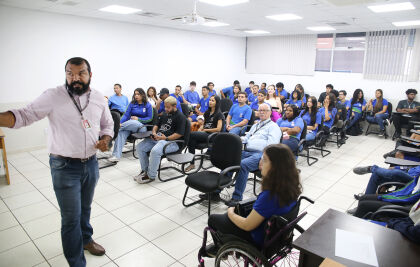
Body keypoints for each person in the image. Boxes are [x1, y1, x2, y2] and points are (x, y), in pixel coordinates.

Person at [0, 57, 114, 267]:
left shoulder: (99, 98)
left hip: (90, 164)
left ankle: (86, 239)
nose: (75, 78)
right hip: (64, 167)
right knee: (71, 218)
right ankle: (76, 263)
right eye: (70, 73)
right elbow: (25, 115)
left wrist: (105, 140)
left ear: (90, 75)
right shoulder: (53, 96)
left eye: (81, 73)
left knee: (85, 208)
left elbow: (108, 124)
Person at [207, 144, 301, 254]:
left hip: (258, 238)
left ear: (276, 167)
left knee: (214, 219)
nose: (260, 163)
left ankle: (222, 251)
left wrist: (230, 213)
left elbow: (247, 225)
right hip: (276, 235)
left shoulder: (269, 195)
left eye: (265, 160)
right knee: (240, 209)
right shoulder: (291, 186)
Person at [223, 104, 281, 206]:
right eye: (260, 110)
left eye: (265, 110)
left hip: (260, 154)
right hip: (247, 151)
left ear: (270, 112)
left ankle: (237, 198)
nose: (262, 112)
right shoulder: (256, 125)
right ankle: (217, 189)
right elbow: (246, 138)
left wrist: (263, 159)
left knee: (243, 165)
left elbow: (272, 146)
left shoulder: (274, 127)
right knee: (229, 159)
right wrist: (235, 140)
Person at [135, 96, 186, 184]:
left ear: (175, 106)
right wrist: (154, 132)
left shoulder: (181, 117)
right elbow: (156, 124)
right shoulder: (165, 114)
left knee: (155, 151)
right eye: (165, 107)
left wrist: (165, 138)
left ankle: (151, 176)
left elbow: (179, 134)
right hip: (159, 138)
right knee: (140, 147)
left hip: (172, 142)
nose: (166, 109)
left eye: (168, 107)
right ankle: (145, 170)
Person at [108, 88, 153, 162]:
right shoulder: (132, 103)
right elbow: (126, 115)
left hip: (141, 127)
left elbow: (150, 118)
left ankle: (113, 130)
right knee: (120, 133)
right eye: (135, 94)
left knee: (133, 121)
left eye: (138, 94)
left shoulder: (147, 105)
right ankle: (116, 156)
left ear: (142, 95)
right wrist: (120, 123)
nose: (136, 96)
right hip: (130, 126)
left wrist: (138, 119)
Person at [185, 95, 224, 172]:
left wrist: (205, 130)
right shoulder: (207, 112)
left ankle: (186, 153)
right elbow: (204, 124)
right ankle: (192, 163)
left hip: (213, 136)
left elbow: (219, 129)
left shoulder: (219, 114)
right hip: (205, 133)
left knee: (191, 135)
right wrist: (200, 128)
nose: (210, 102)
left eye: (213, 101)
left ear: (217, 103)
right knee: (191, 141)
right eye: (210, 100)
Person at [352, 165, 419, 196]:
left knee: (396, 172)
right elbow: (413, 167)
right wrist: (397, 167)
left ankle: (371, 168)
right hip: (409, 171)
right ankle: (364, 200)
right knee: (376, 175)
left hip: (415, 180)